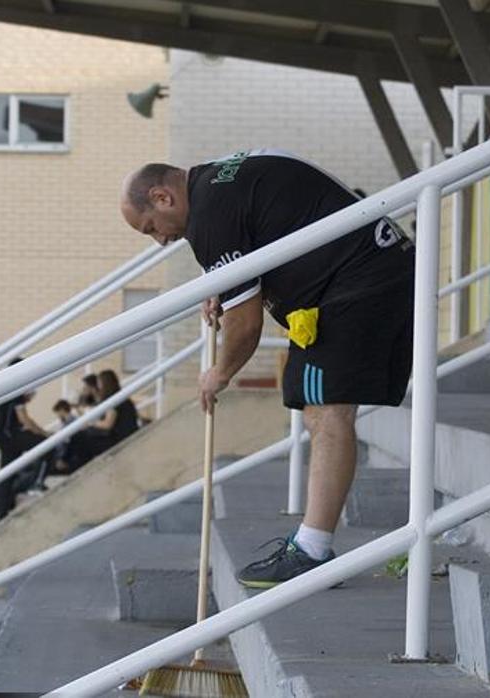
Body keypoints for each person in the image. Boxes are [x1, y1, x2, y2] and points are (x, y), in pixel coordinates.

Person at [120, 150, 414, 587]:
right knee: (318, 405)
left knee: (325, 406)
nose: (160, 241)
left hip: (357, 282)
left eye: (151, 229)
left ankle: (312, 552)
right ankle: (312, 544)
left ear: (162, 197)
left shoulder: (209, 217)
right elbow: (261, 244)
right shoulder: (216, 186)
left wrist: (219, 373)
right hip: (368, 270)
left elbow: (245, 324)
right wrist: (228, 284)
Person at [0, 359, 52, 519]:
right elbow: (24, 418)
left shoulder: (6, 387)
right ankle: (37, 484)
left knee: (8, 472)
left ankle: (2, 511)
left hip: (3, 435)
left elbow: (13, 415)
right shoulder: (15, 387)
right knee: (47, 446)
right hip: (10, 435)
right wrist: (43, 433)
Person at [91, 369, 140, 455]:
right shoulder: (121, 396)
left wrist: (91, 423)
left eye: (99, 383)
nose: (98, 386)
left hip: (121, 438)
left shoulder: (113, 399)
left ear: (105, 383)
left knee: (84, 438)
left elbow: (107, 424)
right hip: (129, 434)